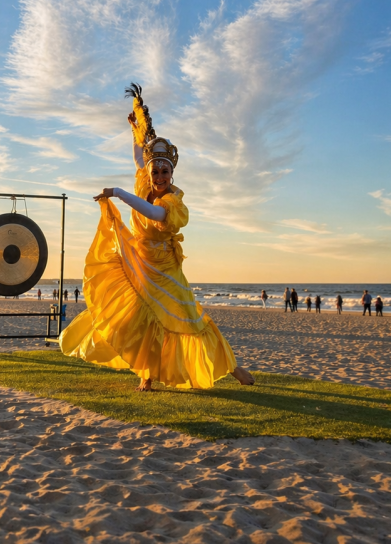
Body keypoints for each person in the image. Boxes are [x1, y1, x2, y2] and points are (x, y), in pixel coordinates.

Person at [60, 83, 254, 392]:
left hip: (165, 270)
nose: (160, 177)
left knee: (191, 319)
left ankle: (232, 368)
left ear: (171, 174)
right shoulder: (144, 182)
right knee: (140, 320)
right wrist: (136, 129)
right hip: (140, 263)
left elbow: (154, 216)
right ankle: (146, 375)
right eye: (156, 173)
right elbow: (139, 156)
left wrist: (116, 192)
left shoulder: (172, 204)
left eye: (165, 172)